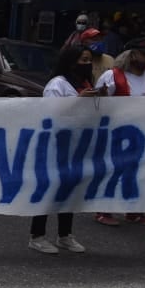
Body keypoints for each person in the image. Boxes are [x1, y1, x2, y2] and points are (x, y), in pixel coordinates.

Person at [28, 45, 95, 255]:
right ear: (71, 61)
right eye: (83, 60)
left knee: (69, 191)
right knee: (49, 190)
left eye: (89, 60)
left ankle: (65, 235)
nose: (87, 64)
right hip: (55, 146)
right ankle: (37, 236)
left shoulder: (83, 83)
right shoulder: (57, 85)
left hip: (76, 146)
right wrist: (79, 101)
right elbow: (52, 114)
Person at [92, 39, 145, 227]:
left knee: (140, 171)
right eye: (144, 54)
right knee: (113, 170)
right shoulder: (112, 76)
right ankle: (103, 209)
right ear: (132, 55)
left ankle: (135, 210)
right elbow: (99, 103)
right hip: (117, 132)